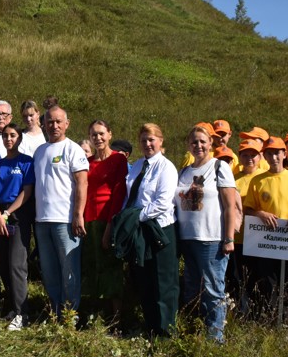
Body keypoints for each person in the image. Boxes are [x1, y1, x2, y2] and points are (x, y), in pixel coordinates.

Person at [113, 123, 179, 338]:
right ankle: (150, 326)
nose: (148, 144)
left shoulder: (166, 167)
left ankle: (166, 331)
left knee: (164, 281)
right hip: (139, 230)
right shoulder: (138, 165)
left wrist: (133, 218)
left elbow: (162, 202)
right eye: (143, 140)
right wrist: (125, 216)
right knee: (144, 279)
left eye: (152, 139)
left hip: (159, 229)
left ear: (160, 141)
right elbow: (129, 195)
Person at [175, 125, 237, 342]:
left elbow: (230, 206)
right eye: (194, 142)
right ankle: (193, 332)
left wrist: (229, 238)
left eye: (202, 141)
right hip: (187, 239)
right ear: (188, 145)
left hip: (211, 239)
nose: (198, 145)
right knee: (191, 288)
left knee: (212, 290)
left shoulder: (219, 167)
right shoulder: (184, 172)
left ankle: (215, 339)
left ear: (211, 143)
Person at [243, 137, 288, 321]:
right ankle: (270, 319)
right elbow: (248, 208)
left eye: (277, 152)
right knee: (268, 280)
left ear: (284, 154)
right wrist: (261, 214)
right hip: (266, 241)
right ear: (264, 156)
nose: (274, 156)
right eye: (270, 153)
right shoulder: (258, 181)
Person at [33, 105, 89, 320]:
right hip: (42, 220)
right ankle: (56, 311)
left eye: (58, 122)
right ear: (44, 124)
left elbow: (82, 184)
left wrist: (78, 215)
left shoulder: (72, 149)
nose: (54, 125)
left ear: (67, 124)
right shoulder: (39, 151)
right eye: (50, 121)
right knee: (49, 271)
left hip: (65, 220)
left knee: (69, 270)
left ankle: (70, 315)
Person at [0, 122, 35, 331]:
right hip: (0, 217)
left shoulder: (26, 162)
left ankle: (22, 313)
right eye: (6, 135)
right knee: (3, 262)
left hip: (18, 215)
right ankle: (12, 307)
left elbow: (27, 191)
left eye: (13, 135)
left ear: (19, 138)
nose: (9, 139)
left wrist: (7, 214)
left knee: (17, 264)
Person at [83, 120, 127, 323]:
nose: (98, 138)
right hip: (89, 220)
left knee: (111, 268)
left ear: (109, 134)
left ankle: (117, 318)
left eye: (101, 134)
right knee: (93, 266)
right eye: (94, 135)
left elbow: (118, 194)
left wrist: (110, 225)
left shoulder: (118, 160)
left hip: (107, 219)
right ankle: (99, 314)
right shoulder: (88, 162)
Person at [226, 139, 265, 317]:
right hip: (238, 239)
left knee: (258, 278)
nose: (249, 158)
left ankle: (259, 314)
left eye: (253, 155)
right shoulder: (233, 179)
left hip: (260, 240)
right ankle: (241, 315)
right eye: (245, 155)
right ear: (239, 157)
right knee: (237, 278)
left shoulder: (265, 177)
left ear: (260, 156)